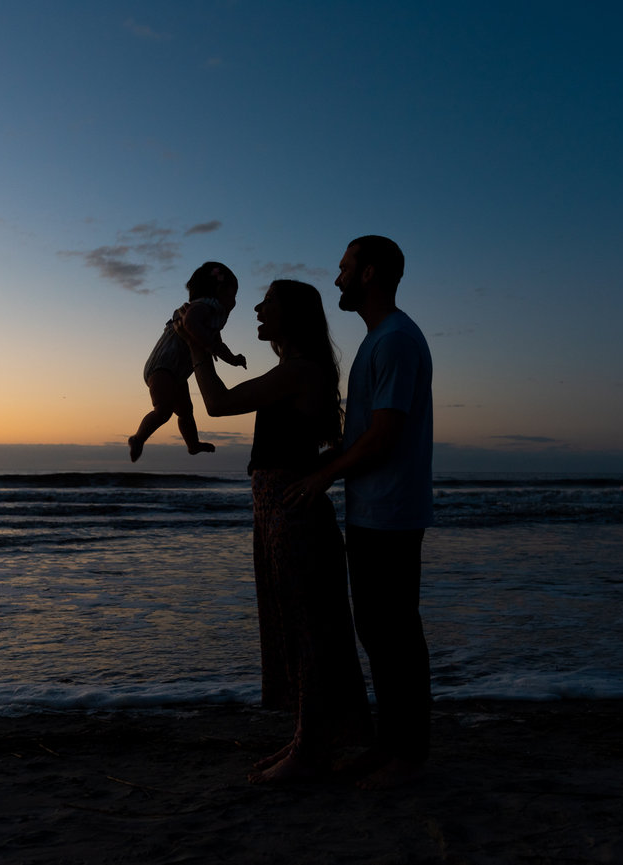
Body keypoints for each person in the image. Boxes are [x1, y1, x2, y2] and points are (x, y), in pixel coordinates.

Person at [182, 279, 372, 784]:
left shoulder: (300, 372)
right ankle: (308, 740)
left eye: (270, 303)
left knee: (306, 629)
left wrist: (196, 344)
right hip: (275, 511)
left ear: (294, 315)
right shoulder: (294, 370)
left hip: (290, 513)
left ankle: (310, 750)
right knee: (293, 626)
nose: (259, 309)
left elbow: (218, 404)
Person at [288, 235, 433, 790]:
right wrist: (328, 457)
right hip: (376, 509)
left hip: (390, 512)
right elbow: (367, 435)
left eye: (345, 268)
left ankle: (408, 756)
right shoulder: (380, 339)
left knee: (395, 633)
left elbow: (385, 438)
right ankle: (391, 746)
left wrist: (325, 474)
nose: (337, 278)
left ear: (369, 273)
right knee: (380, 631)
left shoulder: (395, 340)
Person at [129, 262, 246, 462]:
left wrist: (233, 359)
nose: (234, 303)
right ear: (219, 291)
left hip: (178, 373)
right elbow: (191, 324)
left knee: (185, 412)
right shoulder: (203, 306)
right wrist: (208, 345)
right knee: (163, 411)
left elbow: (218, 345)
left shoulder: (211, 319)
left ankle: (193, 445)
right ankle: (138, 438)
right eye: (233, 296)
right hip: (163, 366)